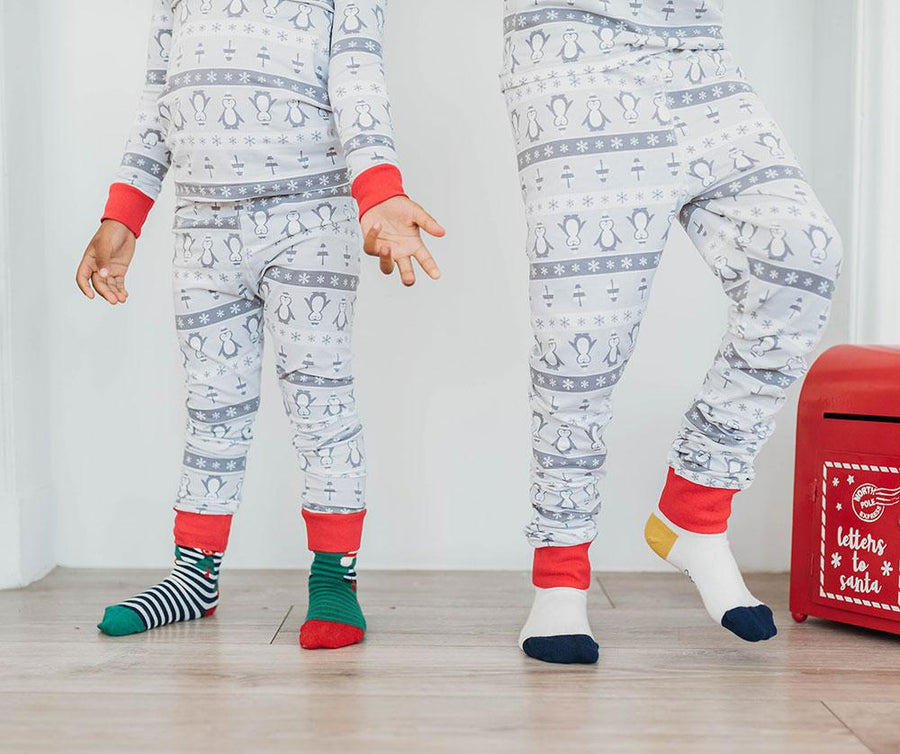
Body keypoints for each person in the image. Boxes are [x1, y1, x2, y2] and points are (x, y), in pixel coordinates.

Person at [77, 0, 444, 650]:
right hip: (202, 223)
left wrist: (380, 189)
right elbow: (158, 97)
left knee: (321, 403)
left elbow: (357, 78)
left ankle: (333, 577)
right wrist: (123, 215)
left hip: (310, 215)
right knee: (211, 408)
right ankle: (193, 576)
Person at [501, 0, 843, 664]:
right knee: (582, 337)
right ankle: (561, 572)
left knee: (804, 254)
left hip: (697, 50)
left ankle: (694, 512)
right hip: (573, 53)